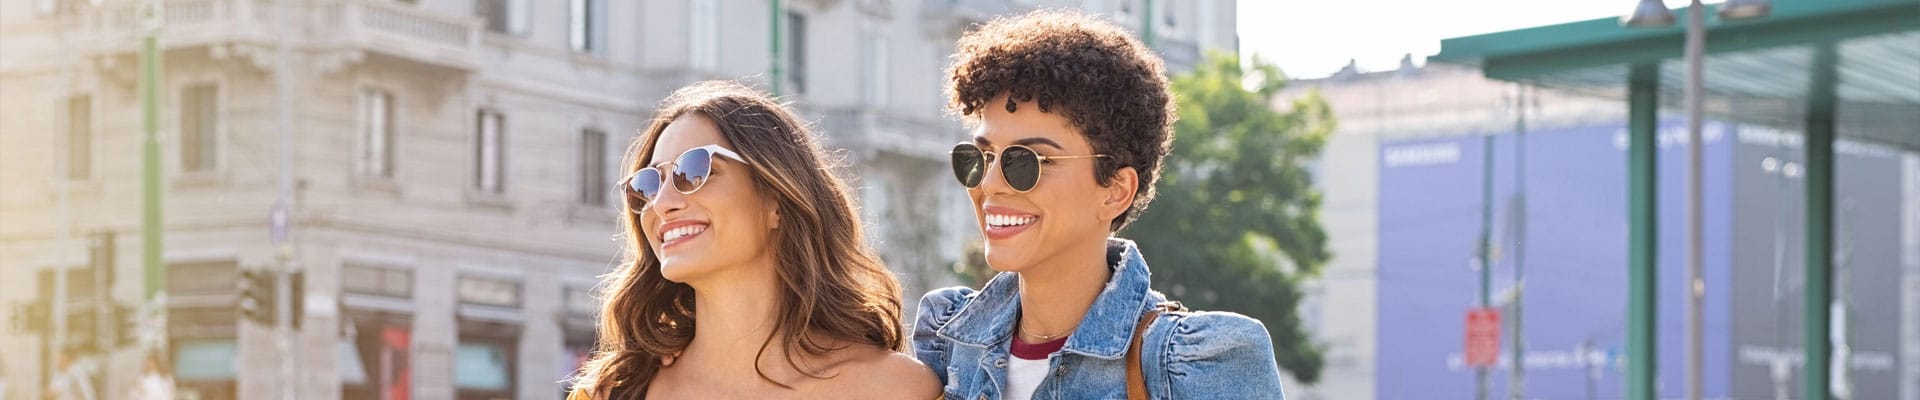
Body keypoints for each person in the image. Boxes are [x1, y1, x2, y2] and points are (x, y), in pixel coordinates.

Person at [912, 9, 1288, 400]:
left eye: (1026, 162)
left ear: (1116, 190)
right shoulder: (948, 340)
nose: (990, 184)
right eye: (980, 157)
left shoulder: (1200, 364)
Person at [567, 81, 939, 399]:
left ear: (776, 196)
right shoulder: (613, 393)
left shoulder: (897, 388)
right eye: (649, 184)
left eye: (694, 170)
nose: (662, 203)